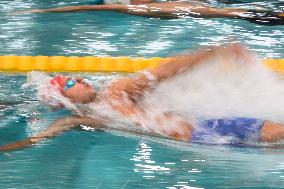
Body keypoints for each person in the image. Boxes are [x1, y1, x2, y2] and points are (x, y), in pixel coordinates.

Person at [1, 44, 284, 152]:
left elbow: (164, 71)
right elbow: (38, 139)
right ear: (62, 99)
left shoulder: (117, 90)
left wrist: (212, 53)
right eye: (71, 82)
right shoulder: (83, 117)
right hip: (201, 143)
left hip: (210, 130)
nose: (83, 78)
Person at [15, 1, 284, 25]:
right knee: (222, 13)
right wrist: (45, 10)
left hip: (198, 10)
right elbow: (87, 6)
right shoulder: (134, 8)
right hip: (200, 11)